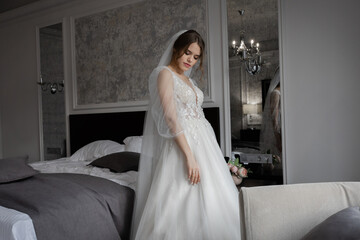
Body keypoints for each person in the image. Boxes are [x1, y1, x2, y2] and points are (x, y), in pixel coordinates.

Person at [131, 30, 241, 240]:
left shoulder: (188, 80)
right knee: (180, 199)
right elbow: (171, 118)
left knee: (214, 200)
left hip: (205, 145)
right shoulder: (164, 73)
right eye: (187, 53)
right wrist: (189, 156)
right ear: (176, 49)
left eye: (196, 57)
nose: (190, 60)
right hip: (183, 146)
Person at [260, 67, 282, 159]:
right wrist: (278, 139)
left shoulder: (283, 93)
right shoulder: (275, 93)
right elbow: (274, 118)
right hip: (277, 133)